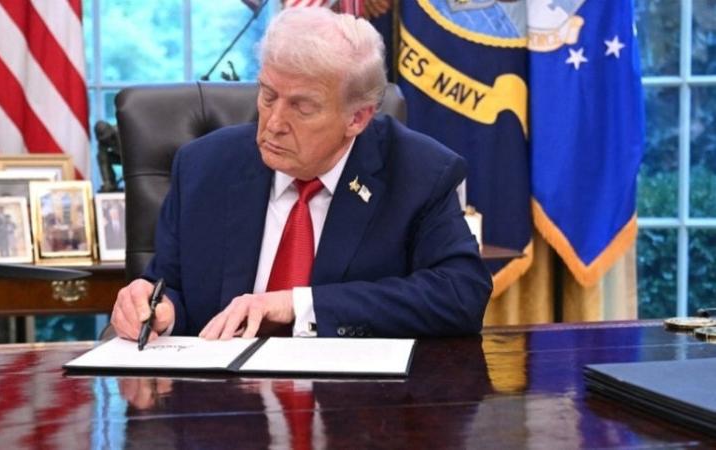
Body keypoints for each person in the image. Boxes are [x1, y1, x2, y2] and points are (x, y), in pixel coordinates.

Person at [110, 7, 492, 343]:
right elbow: (170, 285)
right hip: (224, 395)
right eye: (268, 96)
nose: (273, 123)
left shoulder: (418, 173)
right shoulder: (204, 167)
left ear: (357, 118)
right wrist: (157, 309)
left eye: (302, 107)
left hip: (356, 399)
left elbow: (461, 295)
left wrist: (299, 305)